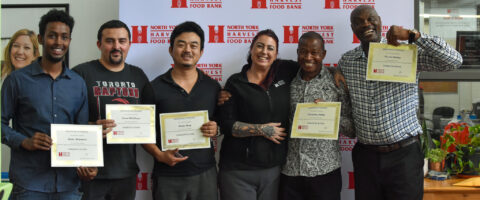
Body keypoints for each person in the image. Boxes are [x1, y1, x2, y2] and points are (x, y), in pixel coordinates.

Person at [337, 5, 463, 200]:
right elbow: (345, 103)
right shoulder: (347, 62)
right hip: (366, 157)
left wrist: (414, 35)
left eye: (370, 18)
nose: (366, 24)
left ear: (380, 21)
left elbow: (454, 61)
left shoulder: (407, 53)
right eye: (358, 21)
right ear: (353, 29)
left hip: (404, 156)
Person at [1, 9, 96, 200]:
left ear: (69, 40)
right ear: (41, 38)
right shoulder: (17, 80)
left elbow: (82, 131)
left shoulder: (78, 83)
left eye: (64, 37)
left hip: (68, 185)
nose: (58, 42)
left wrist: (88, 165)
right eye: (52, 36)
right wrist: (23, 141)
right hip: (29, 184)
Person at [72, 20, 154, 200]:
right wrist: (92, 127)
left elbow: (151, 118)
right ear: (99, 44)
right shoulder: (81, 73)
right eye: (110, 41)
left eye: (122, 41)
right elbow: (64, 119)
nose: (116, 46)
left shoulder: (138, 75)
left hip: (126, 172)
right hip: (90, 172)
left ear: (129, 45)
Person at [142, 21, 220, 200]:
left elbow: (220, 123)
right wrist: (159, 155)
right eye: (181, 44)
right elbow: (142, 132)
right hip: (168, 175)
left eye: (194, 45)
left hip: (205, 174)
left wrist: (216, 128)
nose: (187, 50)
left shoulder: (212, 87)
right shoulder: (154, 88)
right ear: (171, 50)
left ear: (201, 52)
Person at [217, 29, 298, 200]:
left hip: (274, 170)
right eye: (259, 46)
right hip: (238, 170)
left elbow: (311, 65)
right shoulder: (236, 82)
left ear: (276, 54)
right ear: (251, 50)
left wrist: (334, 73)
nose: (264, 52)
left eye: (270, 48)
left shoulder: (286, 73)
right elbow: (226, 125)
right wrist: (261, 129)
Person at [279, 31, 355, 200]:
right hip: (290, 170)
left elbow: (352, 130)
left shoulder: (337, 82)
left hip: (325, 172)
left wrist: (330, 115)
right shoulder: (286, 80)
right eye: (303, 51)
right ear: (297, 52)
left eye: (314, 52)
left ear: (323, 54)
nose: (308, 57)